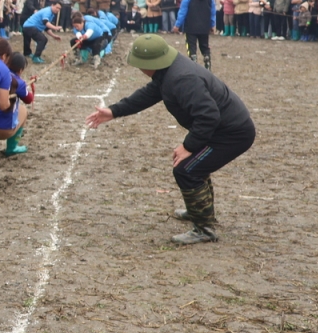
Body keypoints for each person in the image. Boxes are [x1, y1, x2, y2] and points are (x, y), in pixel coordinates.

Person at [86, 34, 255, 245]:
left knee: (187, 169)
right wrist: (114, 111)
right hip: (218, 129)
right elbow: (149, 94)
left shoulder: (181, 78)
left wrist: (188, 146)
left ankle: (204, 228)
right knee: (194, 167)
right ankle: (199, 210)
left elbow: (209, 116)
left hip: (232, 133)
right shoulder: (168, 72)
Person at [174, 0, 215, 70]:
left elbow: (183, 11)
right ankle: (207, 59)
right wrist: (212, 24)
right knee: (204, 45)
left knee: (191, 46)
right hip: (204, 25)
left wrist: (177, 25)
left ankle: (193, 63)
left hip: (191, 25)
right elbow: (213, 12)